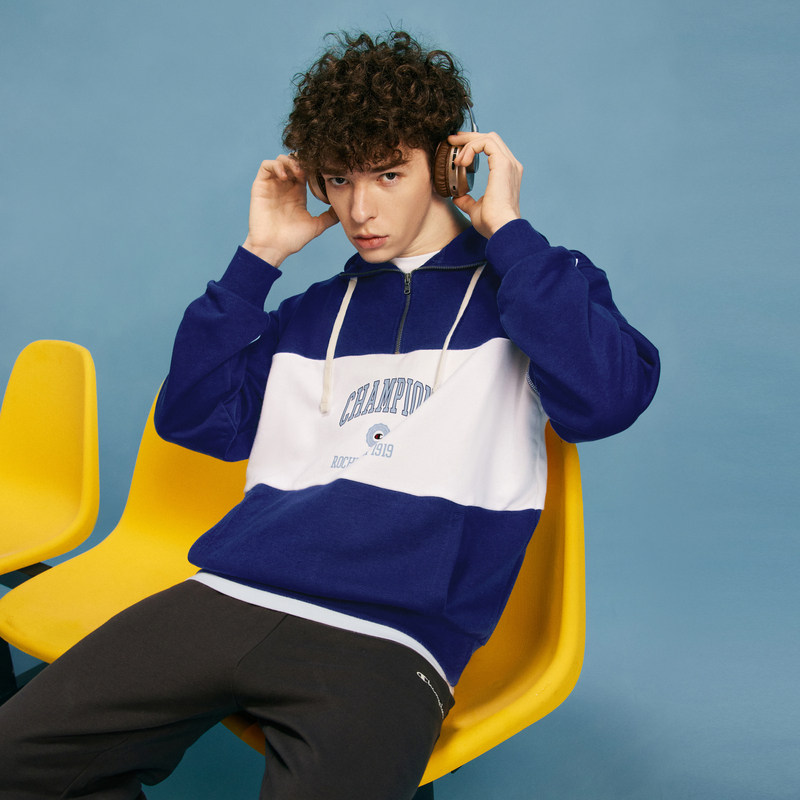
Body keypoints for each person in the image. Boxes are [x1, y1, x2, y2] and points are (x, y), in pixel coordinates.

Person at [0, 29, 659, 800]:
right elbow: (195, 420)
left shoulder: (534, 287)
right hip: (232, 593)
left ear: (448, 165)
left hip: (391, 634)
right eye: (340, 179)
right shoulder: (311, 313)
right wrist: (258, 258)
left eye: (389, 174)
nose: (360, 208)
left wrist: (508, 231)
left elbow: (606, 399)